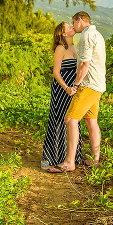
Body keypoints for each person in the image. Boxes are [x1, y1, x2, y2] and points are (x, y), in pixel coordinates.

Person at [58, 11, 106, 172]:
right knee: (91, 121)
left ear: (79, 20)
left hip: (88, 85)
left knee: (70, 120)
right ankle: (95, 160)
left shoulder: (86, 36)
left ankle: (69, 162)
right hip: (99, 85)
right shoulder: (97, 34)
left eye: (73, 22)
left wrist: (76, 84)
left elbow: (84, 65)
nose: (73, 25)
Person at [41, 22, 83, 173]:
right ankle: (52, 157)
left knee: (73, 119)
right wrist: (66, 88)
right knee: (58, 119)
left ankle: (71, 156)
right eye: (69, 27)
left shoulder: (76, 47)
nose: (73, 27)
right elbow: (56, 72)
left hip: (74, 89)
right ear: (64, 34)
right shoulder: (61, 48)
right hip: (62, 88)